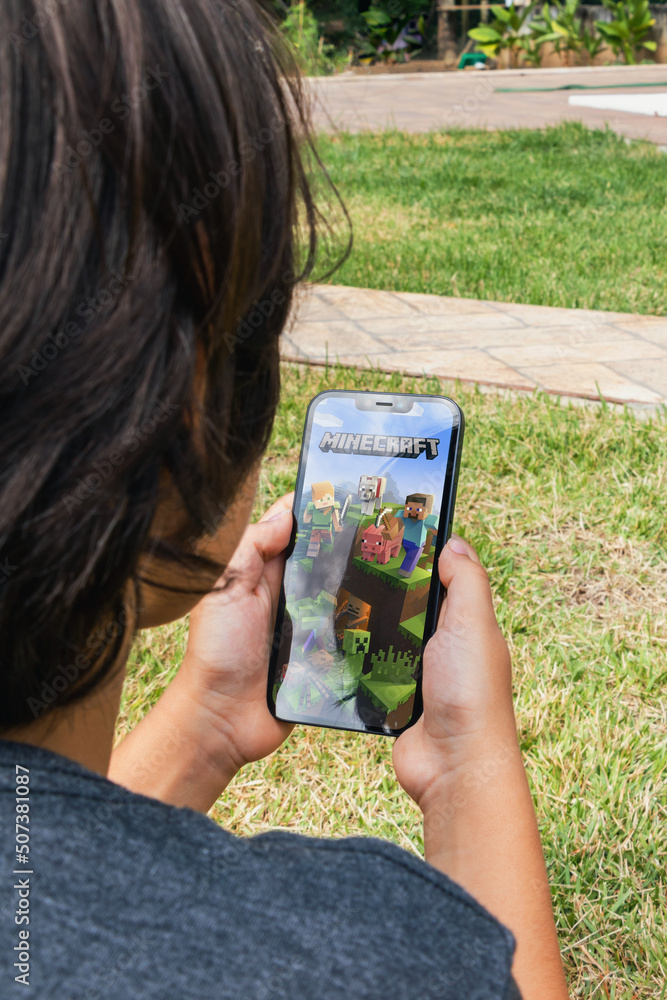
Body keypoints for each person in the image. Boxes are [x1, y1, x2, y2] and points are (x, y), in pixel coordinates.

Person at [0, 1, 569, 998]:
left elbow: (45, 909)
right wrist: (471, 768)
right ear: (185, 422)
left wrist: (210, 717)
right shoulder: (358, 957)